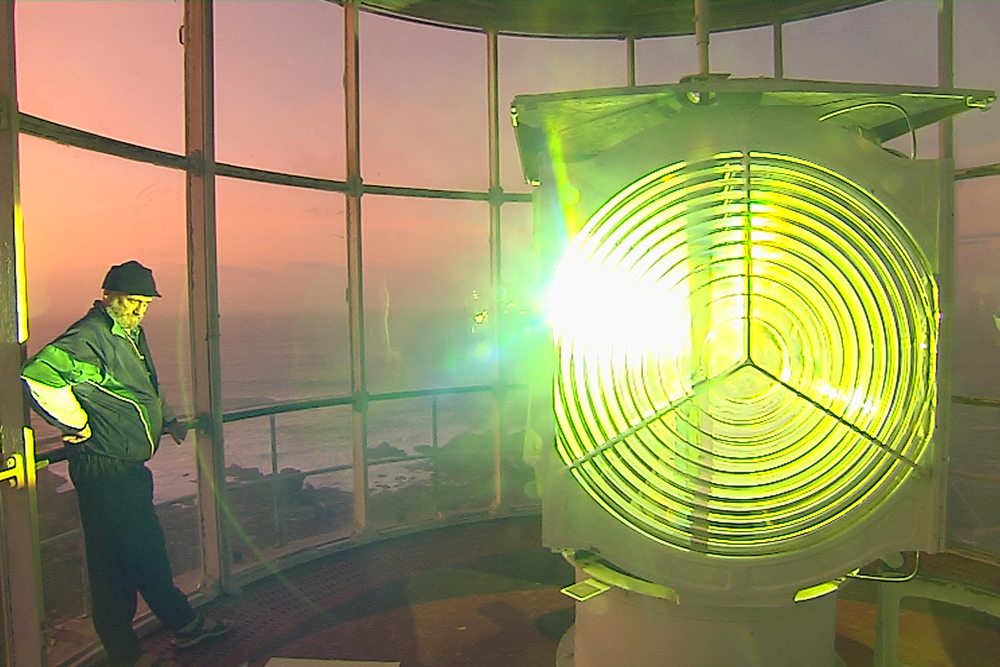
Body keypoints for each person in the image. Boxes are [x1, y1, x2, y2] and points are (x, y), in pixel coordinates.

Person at [21, 261, 231, 667]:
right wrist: (77, 424)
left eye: (144, 303)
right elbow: (38, 375)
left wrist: (165, 418)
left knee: (126, 558)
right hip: (106, 468)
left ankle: (163, 634)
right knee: (126, 562)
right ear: (109, 297)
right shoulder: (92, 335)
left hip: (125, 467)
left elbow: (145, 385)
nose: (138, 310)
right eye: (132, 301)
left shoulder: (128, 333)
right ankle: (155, 638)